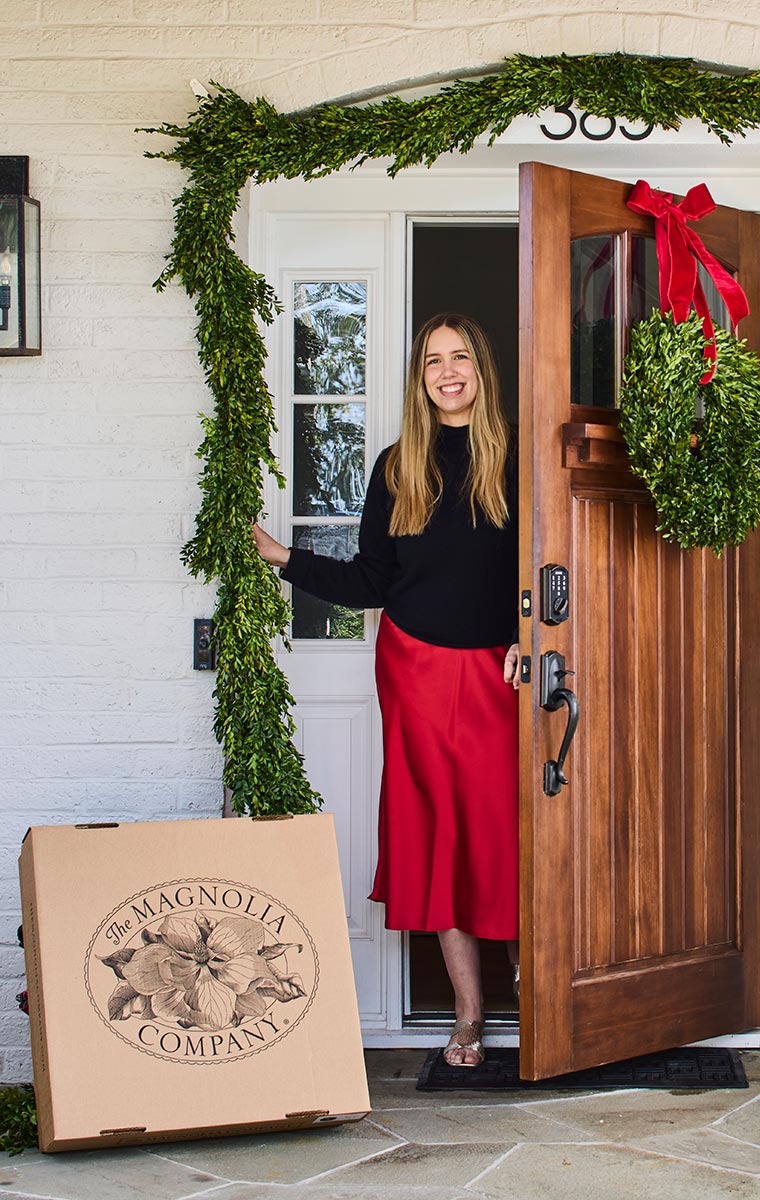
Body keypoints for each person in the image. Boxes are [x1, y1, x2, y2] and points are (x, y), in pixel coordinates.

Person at [253, 313, 519, 1068]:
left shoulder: (516, 457)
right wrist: (286, 558)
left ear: (481, 369)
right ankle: (468, 1016)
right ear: (420, 377)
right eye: (433, 360)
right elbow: (373, 580)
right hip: (414, 668)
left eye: (459, 357)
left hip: (499, 671)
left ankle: (539, 991)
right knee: (439, 836)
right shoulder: (398, 466)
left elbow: (547, 569)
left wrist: (529, 638)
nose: (447, 372)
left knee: (507, 834)